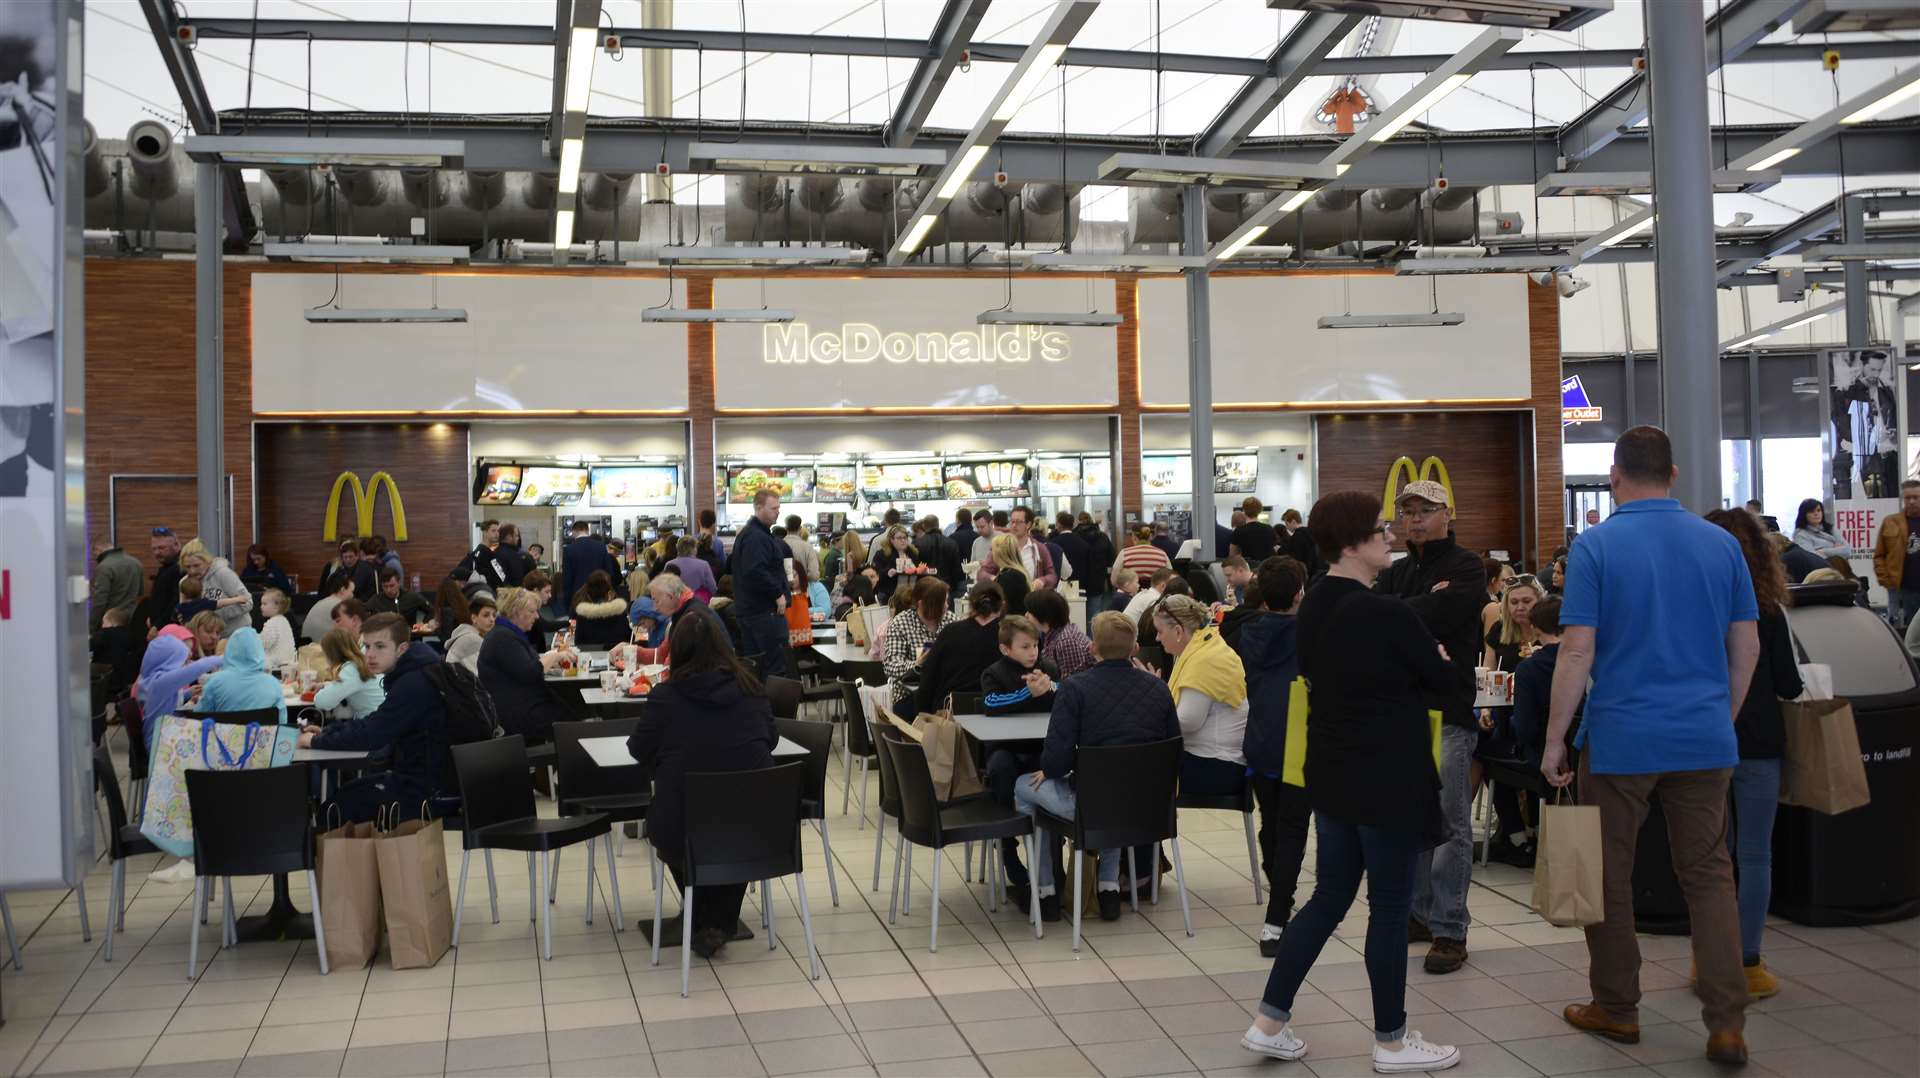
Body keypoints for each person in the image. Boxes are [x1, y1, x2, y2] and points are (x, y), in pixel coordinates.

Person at [1542, 426, 1758, 1066]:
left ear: (1614, 476)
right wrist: (1721, 716)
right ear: (1676, 474)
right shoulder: (1722, 545)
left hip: (1621, 740)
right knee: (1711, 877)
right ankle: (1726, 1024)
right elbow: (1745, 648)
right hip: (1705, 737)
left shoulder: (1597, 547)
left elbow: (1576, 650)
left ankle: (1617, 1006)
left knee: (1608, 876)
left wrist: (1554, 739)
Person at [1238, 490, 1462, 1073]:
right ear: (1352, 543)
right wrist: (1431, 659)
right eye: (1379, 529)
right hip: (1387, 774)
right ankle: (1391, 1040)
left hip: (1331, 772)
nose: (1390, 534)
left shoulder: (1313, 606)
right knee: (1388, 909)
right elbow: (1444, 682)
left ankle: (1269, 1020)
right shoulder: (1386, 612)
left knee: (1329, 897)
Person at [1374, 478, 1485, 976]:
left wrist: (1396, 614)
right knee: (1409, 817)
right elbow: (1378, 619)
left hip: (1448, 711)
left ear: (1448, 515)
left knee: (1449, 825)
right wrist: (1401, 614)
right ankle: (1419, 914)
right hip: (1403, 711)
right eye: (1408, 511)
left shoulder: (1466, 567)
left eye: (1425, 510)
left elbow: (1433, 619)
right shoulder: (1397, 573)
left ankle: (1450, 929)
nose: (1415, 519)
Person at [626, 607, 775, 958]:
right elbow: (770, 738)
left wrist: (664, 763)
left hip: (683, 826)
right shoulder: (751, 690)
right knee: (730, 834)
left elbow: (638, 748)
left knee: (679, 827)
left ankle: (704, 918)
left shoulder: (666, 698)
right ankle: (718, 920)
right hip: (756, 827)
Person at [1014, 611, 1181, 924]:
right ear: (1134, 649)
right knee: (1117, 787)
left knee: (1024, 786)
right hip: (1149, 809)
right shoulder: (1159, 689)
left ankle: (1045, 890)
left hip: (1089, 809)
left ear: (1093, 648)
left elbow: (1055, 760)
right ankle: (1107, 887)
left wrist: (1050, 772)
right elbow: (1174, 746)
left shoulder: (1075, 689)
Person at [1705, 508, 1803, 1001]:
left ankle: (1712, 958)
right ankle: (1747, 959)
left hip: (1704, 742)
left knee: (1709, 857)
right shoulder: (1769, 611)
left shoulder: (1698, 606)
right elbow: (1789, 682)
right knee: (1755, 854)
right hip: (1760, 743)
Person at [301, 613, 454, 824]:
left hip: (427, 788)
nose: (370, 655)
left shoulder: (414, 683)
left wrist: (315, 741)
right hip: (429, 778)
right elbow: (376, 721)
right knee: (343, 798)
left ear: (401, 649)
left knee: (332, 810)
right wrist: (328, 732)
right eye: (367, 646)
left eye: (380, 647)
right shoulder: (420, 670)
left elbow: (372, 734)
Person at [1235, 556, 1309, 956]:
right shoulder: (1311, 634)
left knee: (1271, 823)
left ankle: (1279, 897)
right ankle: (1276, 918)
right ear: (1300, 593)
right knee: (1293, 830)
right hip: (1299, 737)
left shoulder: (1247, 632)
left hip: (1260, 736)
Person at [1155, 593, 1249, 797]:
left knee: (1133, 769)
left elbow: (1187, 722)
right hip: (1217, 761)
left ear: (1178, 631)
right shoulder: (1206, 646)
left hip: (1217, 766)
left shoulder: (1204, 659)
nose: (1157, 638)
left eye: (1160, 631)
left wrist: (1152, 703)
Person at [479, 587, 575, 744]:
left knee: (570, 708)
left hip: (515, 710)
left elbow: (525, 665)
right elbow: (532, 672)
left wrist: (550, 660)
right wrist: (554, 656)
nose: (537, 616)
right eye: (532, 611)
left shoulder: (503, 635)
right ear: (515, 612)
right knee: (574, 719)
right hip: (519, 717)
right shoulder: (503, 638)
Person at [915, 582, 1008, 715]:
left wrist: (923, 715)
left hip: (949, 715)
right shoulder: (1010, 636)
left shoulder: (950, 631)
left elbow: (928, 677)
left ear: (970, 605)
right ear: (1002, 605)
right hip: (997, 714)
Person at [729, 490, 792, 677]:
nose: (777, 512)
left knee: (756, 670)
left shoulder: (752, 534)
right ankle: (773, 707)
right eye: (773, 508)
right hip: (764, 614)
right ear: (758, 508)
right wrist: (778, 593)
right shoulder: (756, 537)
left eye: (779, 508)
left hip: (752, 612)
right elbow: (755, 571)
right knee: (774, 671)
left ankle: (760, 706)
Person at [136, 633, 223, 746]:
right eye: (181, 661)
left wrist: (187, 694)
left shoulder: (150, 679)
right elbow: (198, 667)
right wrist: (224, 658)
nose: (184, 665)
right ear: (169, 661)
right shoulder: (161, 681)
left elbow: (162, 702)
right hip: (161, 745)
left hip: (160, 737)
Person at [881, 579, 957, 709]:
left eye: (946, 601)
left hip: (944, 693)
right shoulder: (901, 623)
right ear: (921, 604)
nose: (946, 606)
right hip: (909, 696)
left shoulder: (951, 620)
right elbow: (890, 667)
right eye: (941, 603)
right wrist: (918, 664)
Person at [194, 628, 288, 725]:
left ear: (229, 650)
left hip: (222, 739)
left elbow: (198, 718)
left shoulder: (215, 682)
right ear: (259, 650)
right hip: (263, 739)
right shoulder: (274, 684)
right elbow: (282, 722)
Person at [981, 615, 1059, 716]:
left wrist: (1050, 686)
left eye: (1035, 645)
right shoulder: (993, 673)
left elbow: (1066, 691)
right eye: (1025, 647)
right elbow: (990, 703)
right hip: (1007, 729)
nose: (1033, 653)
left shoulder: (1048, 667)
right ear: (1005, 649)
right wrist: (1029, 692)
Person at [178, 537, 254, 639]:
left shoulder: (223, 574)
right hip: (205, 641)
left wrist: (212, 615)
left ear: (207, 561)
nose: (192, 571)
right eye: (187, 567)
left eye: (196, 566)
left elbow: (248, 602)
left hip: (235, 635)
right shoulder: (184, 583)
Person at [1872, 479, 1920, 628]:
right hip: (1904, 587)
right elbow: (1879, 555)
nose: (1911, 501)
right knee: (1909, 630)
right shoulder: (1890, 522)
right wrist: (1885, 579)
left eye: (1916, 497)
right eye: (1907, 498)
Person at [313, 627, 387, 719]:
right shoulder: (360, 663)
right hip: (383, 719)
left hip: (374, 724)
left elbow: (323, 702)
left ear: (332, 654)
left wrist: (318, 693)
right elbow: (355, 684)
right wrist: (326, 685)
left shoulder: (351, 670)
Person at [1026, 588, 1091, 680]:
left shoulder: (1067, 641)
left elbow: (1072, 683)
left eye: (1030, 612)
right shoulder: (1050, 633)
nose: (1026, 615)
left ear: (1044, 615)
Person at [91, 541, 144, 632]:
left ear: (98, 550)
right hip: (133, 619)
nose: (96, 558)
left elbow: (99, 601)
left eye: (95, 555)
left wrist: (91, 626)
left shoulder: (104, 567)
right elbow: (140, 592)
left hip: (110, 623)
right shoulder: (136, 563)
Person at [571, 570, 631, 649]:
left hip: (590, 658)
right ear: (609, 593)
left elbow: (578, 644)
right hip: (617, 658)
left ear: (588, 593)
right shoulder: (620, 613)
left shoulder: (582, 616)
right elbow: (628, 639)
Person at [563, 520, 619, 603]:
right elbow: (609, 572)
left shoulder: (569, 549)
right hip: (599, 594)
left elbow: (567, 577)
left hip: (578, 596)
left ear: (574, 532)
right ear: (587, 531)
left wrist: (568, 600)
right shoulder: (601, 546)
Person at [1074, 513, 1117, 612]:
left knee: (1077, 613)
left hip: (1077, 581)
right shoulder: (1102, 537)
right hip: (1097, 580)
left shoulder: (1073, 537)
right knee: (1094, 612)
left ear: (1078, 521)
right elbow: (1111, 558)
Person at [146, 527, 184, 634]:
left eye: (162, 548)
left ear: (176, 545)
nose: (157, 552)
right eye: (154, 549)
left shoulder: (180, 567)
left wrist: (158, 625)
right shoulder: (166, 567)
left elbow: (176, 601)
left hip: (171, 629)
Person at [873, 525, 924, 603]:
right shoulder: (882, 554)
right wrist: (888, 573)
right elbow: (876, 575)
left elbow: (920, 573)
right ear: (891, 540)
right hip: (889, 595)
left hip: (911, 595)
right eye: (899, 538)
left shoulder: (914, 553)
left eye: (905, 537)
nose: (903, 540)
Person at [445, 594, 493, 676]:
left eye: (494, 615)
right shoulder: (473, 640)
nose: (492, 619)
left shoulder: (466, 633)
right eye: (486, 615)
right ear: (474, 618)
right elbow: (482, 678)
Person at [915, 515, 964, 591]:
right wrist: (953, 586)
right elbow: (957, 568)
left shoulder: (917, 544)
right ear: (938, 525)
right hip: (946, 585)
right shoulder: (951, 543)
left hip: (925, 586)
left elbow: (914, 568)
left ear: (924, 526)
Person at [369, 568, 433, 625]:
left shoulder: (411, 597)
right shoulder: (376, 600)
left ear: (399, 583)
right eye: (385, 586)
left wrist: (423, 624)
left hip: (411, 636)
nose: (388, 590)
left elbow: (432, 611)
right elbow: (363, 612)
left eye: (392, 586)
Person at [305, 572, 355, 643]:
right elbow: (350, 634)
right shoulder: (339, 607)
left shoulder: (321, 602)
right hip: (319, 650)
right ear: (342, 590)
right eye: (352, 591)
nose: (352, 596)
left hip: (307, 649)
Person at [667, 536, 719, 602]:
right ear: (694, 549)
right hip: (698, 603)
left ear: (677, 548)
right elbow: (713, 588)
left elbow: (666, 587)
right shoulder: (703, 565)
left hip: (675, 603)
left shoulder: (669, 564)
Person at [991, 532, 1031, 615]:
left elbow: (1006, 607)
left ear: (999, 553)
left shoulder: (1009, 576)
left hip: (1012, 623)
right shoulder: (1014, 572)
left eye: (992, 549)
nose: (991, 553)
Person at [258, 589, 296, 671]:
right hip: (289, 661)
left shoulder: (271, 623)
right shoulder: (284, 620)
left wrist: (255, 639)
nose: (261, 606)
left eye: (264, 604)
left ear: (276, 606)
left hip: (275, 665)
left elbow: (265, 643)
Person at [782, 516, 821, 584]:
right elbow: (813, 575)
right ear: (800, 528)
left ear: (785, 528)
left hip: (781, 590)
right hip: (803, 589)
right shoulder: (807, 547)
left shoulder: (777, 545)